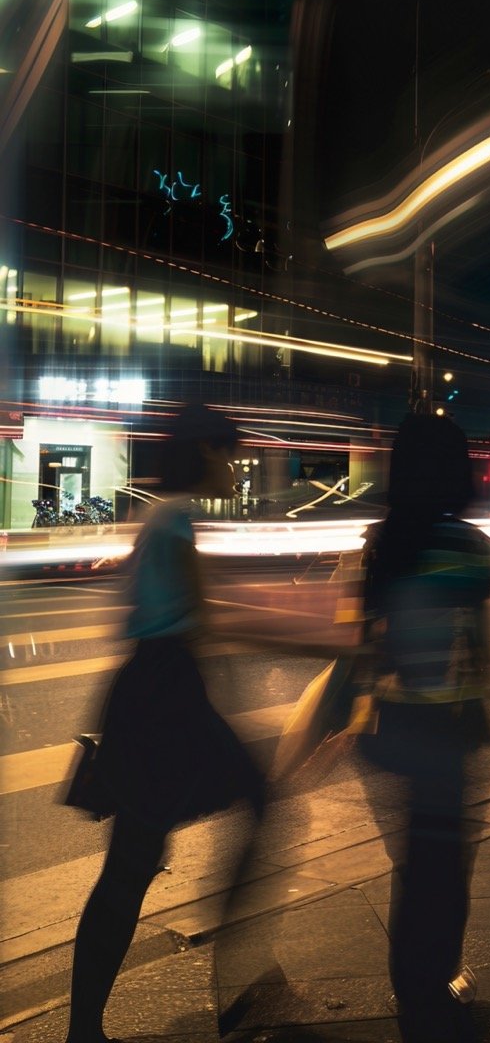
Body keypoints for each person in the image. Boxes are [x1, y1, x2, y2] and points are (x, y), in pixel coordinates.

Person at [64, 404, 265, 1043]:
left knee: (134, 859)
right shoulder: (175, 518)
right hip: (164, 699)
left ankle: (87, 1027)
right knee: (138, 859)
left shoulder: (161, 516)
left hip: (153, 693)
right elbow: (204, 620)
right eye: (228, 454)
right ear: (204, 452)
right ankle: (234, 978)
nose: (234, 468)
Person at [358, 413, 490, 1043]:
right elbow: (487, 649)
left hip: (391, 728)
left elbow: (366, 644)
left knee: (416, 865)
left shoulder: (382, 543)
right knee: (446, 866)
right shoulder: (468, 545)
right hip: (449, 727)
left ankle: (413, 989)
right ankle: (432, 988)